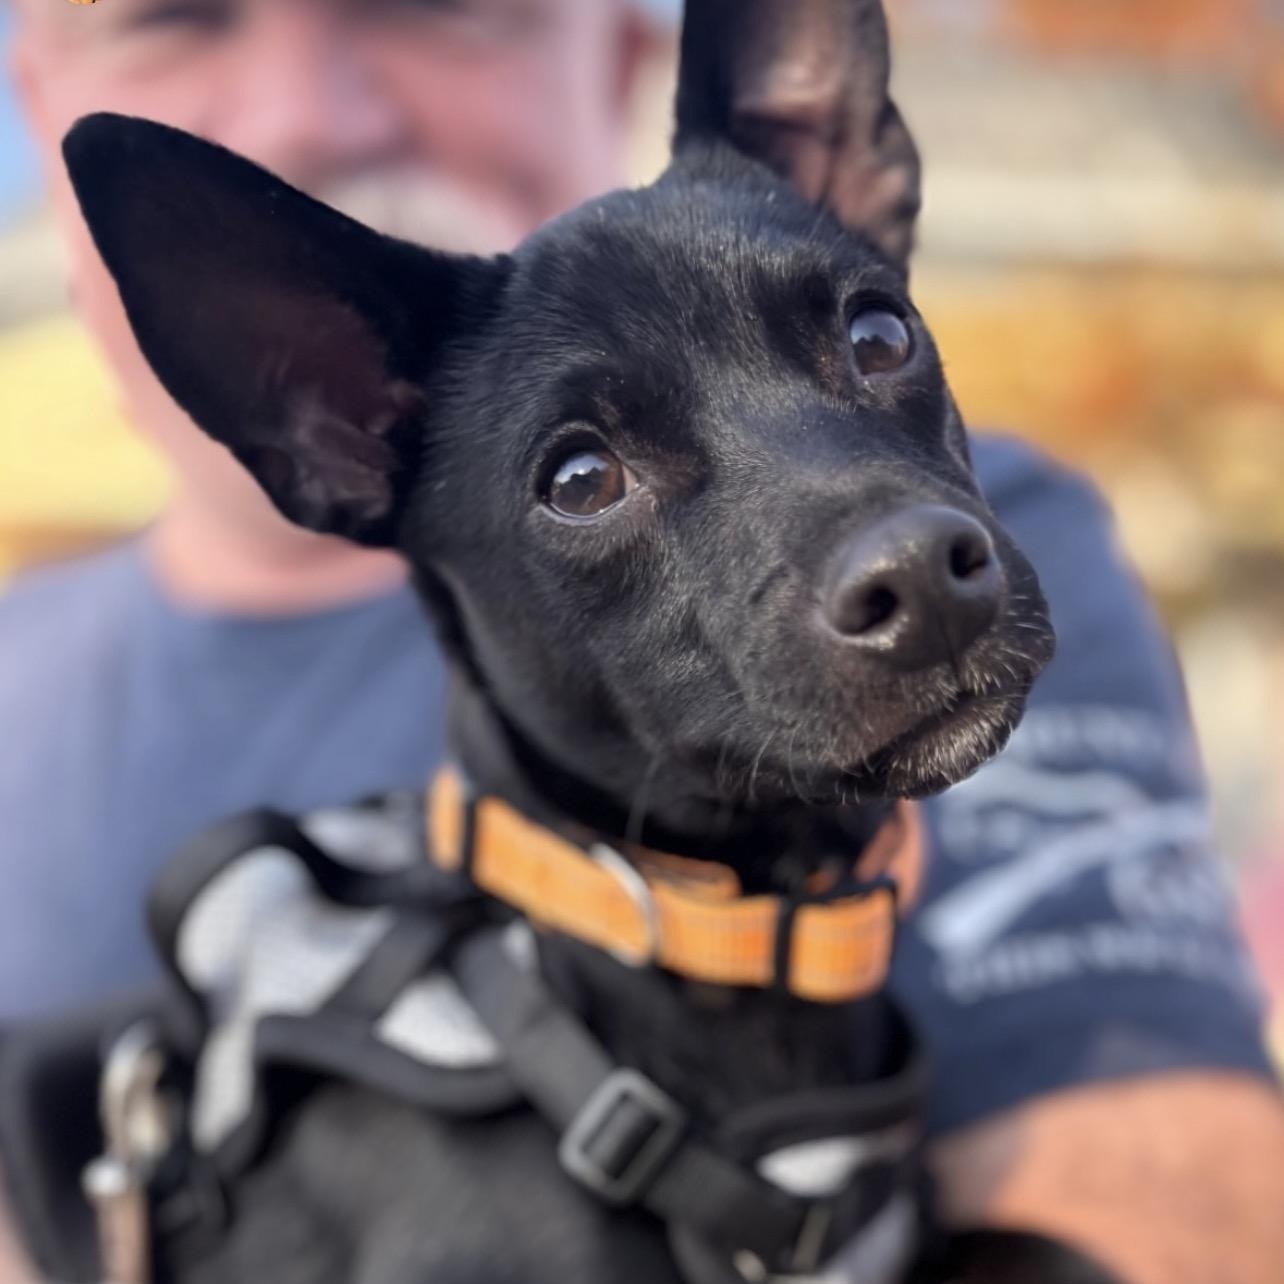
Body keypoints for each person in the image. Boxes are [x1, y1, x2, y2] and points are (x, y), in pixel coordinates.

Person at [0, 2, 1281, 1282]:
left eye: (872, 340)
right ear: (332, 425)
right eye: (582, 477)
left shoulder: (1026, 513)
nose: (903, 550)